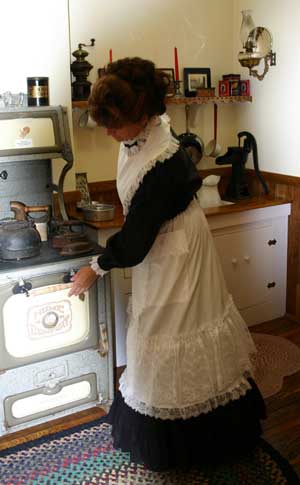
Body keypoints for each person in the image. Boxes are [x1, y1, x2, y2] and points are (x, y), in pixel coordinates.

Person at [69, 57, 266, 471]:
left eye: (113, 124)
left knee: (174, 329)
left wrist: (96, 267)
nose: (108, 132)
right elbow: (140, 225)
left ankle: (191, 440)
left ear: (140, 115)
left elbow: (137, 238)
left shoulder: (164, 163)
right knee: (162, 329)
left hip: (176, 251)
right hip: (165, 241)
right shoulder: (146, 133)